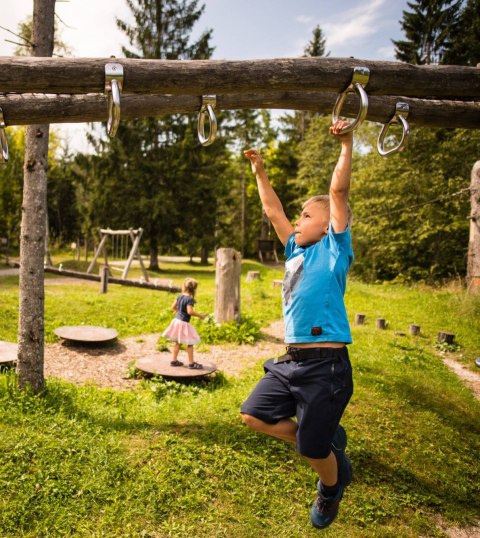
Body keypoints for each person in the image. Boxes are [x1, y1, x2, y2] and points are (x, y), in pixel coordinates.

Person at [240, 119, 355, 530]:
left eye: (307, 215)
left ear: (326, 226)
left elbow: (338, 192)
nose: (299, 220)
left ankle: (330, 489)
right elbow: (273, 211)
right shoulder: (294, 250)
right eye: (300, 215)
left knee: (311, 451)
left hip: (327, 366)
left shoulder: (334, 249)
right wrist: (260, 173)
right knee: (253, 415)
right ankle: (325, 445)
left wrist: (346, 144)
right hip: (292, 363)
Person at [162, 277, 206, 369]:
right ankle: (191, 363)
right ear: (194, 289)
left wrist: (179, 312)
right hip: (183, 323)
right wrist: (200, 315)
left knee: (178, 342)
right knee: (190, 343)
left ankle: (173, 361)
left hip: (176, 321)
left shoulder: (180, 296)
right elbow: (189, 311)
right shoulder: (189, 299)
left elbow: (173, 307)